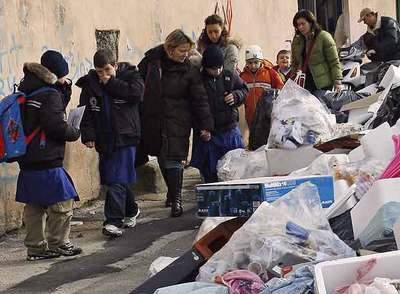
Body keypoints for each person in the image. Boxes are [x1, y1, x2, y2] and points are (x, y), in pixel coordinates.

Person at [138, 29, 213, 217]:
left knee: (175, 157)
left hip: (179, 119)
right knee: (162, 156)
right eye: (182, 51)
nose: (185, 55)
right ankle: (172, 193)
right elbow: (138, 83)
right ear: (170, 49)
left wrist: (205, 124)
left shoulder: (190, 70)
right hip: (154, 118)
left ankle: (177, 199)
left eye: (187, 51)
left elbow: (200, 99)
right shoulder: (151, 63)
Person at [15, 50, 82, 260]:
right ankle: (59, 243)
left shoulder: (27, 88)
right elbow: (56, 126)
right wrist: (74, 132)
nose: (65, 78)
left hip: (27, 157)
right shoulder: (49, 94)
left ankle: (35, 248)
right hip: (47, 157)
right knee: (62, 202)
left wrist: (62, 91)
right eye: (63, 75)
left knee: (34, 204)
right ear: (55, 73)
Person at [77, 49, 144, 238]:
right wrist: (88, 134)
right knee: (114, 178)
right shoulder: (90, 85)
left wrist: (112, 83)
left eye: (107, 70)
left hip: (126, 136)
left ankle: (113, 221)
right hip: (105, 139)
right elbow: (86, 113)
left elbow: (136, 94)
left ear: (115, 65)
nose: (103, 75)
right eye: (99, 72)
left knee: (116, 178)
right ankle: (131, 210)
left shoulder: (131, 77)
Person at [190, 45, 248, 183]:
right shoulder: (198, 80)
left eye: (219, 67)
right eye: (213, 68)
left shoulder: (229, 76)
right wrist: (201, 129)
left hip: (230, 131)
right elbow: (193, 108)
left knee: (234, 170)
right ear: (205, 67)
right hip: (209, 135)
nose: (217, 71)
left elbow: (244, 89)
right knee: (211, 172)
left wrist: (236, 96)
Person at [291, 9, 343, 95]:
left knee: (321, 107)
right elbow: (295, 63)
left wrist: (337, 82)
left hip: (322, 83)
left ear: (311, 23)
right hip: (303, 83)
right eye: (298, 25)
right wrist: (293, 80)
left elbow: (334, 61)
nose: (300, 27)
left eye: (303, 24)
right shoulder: (297, 41)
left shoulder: (323, 37)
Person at [240, 45, 283, 130]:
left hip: (267, 114)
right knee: (254, 138)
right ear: (246, 62)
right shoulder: (242, 76)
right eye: (250, 63)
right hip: (250, 114)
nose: (253, 65)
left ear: (261, 61)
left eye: (256, 62)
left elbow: (280, 88)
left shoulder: (271, 73)